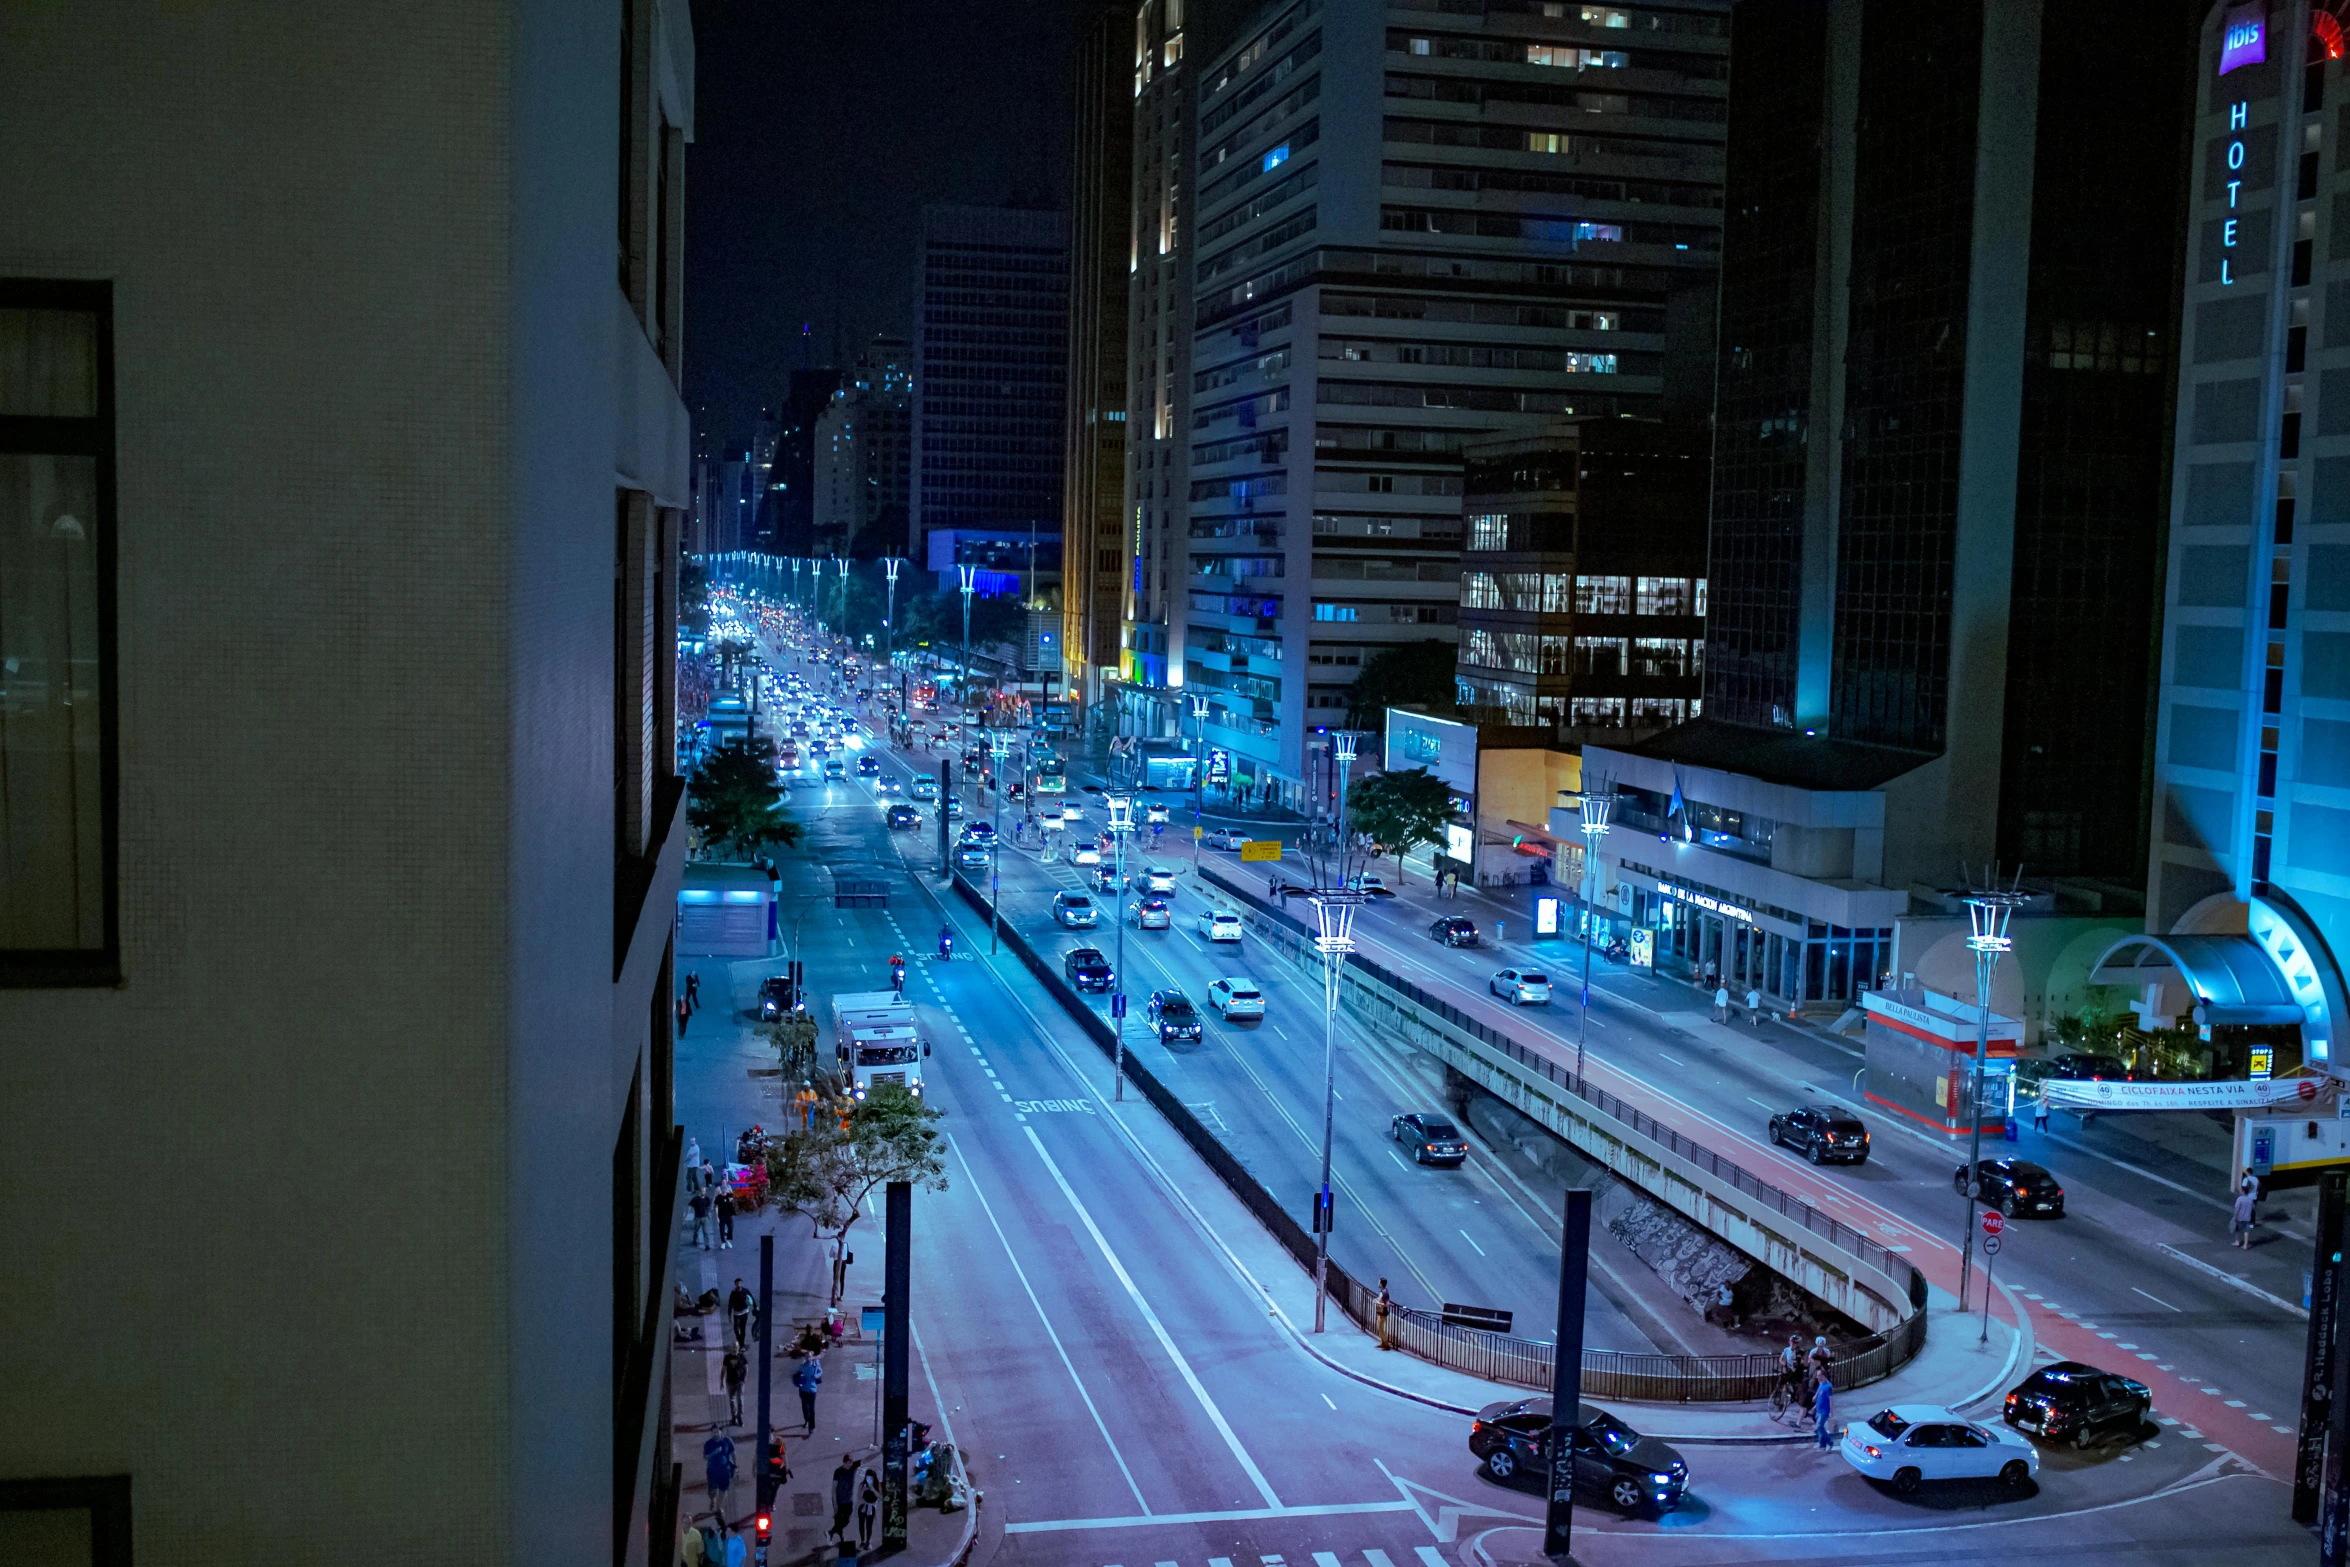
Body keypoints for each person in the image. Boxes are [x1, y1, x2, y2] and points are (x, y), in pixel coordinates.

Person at [831, 1455, 860, 1539]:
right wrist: (835, 1503)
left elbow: (866, 1459)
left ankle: (831, 1532)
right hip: (839, 1501)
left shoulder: (853, 1466)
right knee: (838, 1519)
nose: (849, 1465)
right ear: (844, 1462)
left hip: (848, 1500)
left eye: (850, 1463)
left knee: (846, 1520)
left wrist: (879, 1453)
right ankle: (839, 1533)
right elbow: (834, 1488)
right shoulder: (838, 1471)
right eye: (847, 1463)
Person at [795, 1351, 824, 1430]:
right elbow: (796, 1374)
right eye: (807, 1357)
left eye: (810, 1356)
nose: (808, 1358)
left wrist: (816, 1376)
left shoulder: (815, 1364)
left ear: (812, 1357)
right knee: (805, 1407)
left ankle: (812, 1426)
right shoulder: (802, 1366)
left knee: (811, 1408)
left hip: (812, 1389)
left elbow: (820, 1371)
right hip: (803, 1389)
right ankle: (806, 1420)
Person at [723, 1345, 748, 1427]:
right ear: (731, 1348)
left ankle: (739, 1418)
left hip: (739, 1381)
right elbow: (723, 1369)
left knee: (739, 1400)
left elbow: (746, 1368)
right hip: (730, 1382)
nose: (735, 1349)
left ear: (738, 1348)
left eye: (736, 1347)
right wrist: (721, 1381)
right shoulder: (727, 1357)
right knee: (732, 1400)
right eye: (733, 1347)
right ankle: (734, 1417)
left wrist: (743, 1379)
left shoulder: (741, 1356)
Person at [856, 1469, 879, 1549]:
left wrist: (873, 1489)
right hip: (862, 1507)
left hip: (871, 1508)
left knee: (869, 1526)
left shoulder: (876, 1485)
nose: (869, 1480)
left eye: (871, 1478)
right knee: (861, 1525)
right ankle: (862, 1541)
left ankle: (868, 1542)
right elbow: (858, 1497)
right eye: (867, 1478)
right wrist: (864, 1491)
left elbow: (880, 1497)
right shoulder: (862, 1485)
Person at [728, 1278, 754, 1350]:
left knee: (743, 1328)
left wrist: (755, 1307)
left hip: (745, 1312)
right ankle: (740, 1342)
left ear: (741, 1283)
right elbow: (730, 1303)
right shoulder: (733, 1293)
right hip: (737, 1313)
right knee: (736, 1328)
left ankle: (742, 1344)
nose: (738, 1285)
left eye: (739, 1283)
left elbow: (751, 1298)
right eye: (737, 1284)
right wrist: (729, 1314)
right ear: (735, 1284)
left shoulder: (745, 1290)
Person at [1813, 1370, 1835, 1450]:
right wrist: (1815, 1406)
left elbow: (1831, 1399)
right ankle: (1822, 1444)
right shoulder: (1821, 1383)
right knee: (1819, 1428)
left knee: (1819, 1426)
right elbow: (1819, 1394)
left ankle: (1829, 1441)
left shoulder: (1828, 1386)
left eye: (1818, 1375)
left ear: (1823, 1376)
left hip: (1824, 1411)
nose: (1817, 1377)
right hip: (1818, 1409)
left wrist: (1831, 1412)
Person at [2234, 1183, 2259, 1248]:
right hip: (2247, 1217)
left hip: (2239, 1217)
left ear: (2243, 1191)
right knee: (2246, 1231)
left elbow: (2237, 1208)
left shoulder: (2240, 1199)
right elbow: (2253, 1208)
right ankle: (2245, 1245)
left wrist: (2235, 1216)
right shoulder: (2250, 1199)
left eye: (2241, 1190)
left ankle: (2237, 1242)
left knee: (2237, 1230)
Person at [688, 1185, 713, 1250]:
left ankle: (707, 1245)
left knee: (706, 1232)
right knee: (696, 1230)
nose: (703, 1192)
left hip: (705, 1218)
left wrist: (708, 1213)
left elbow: (708, 1206)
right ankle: (694, 1241)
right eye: (702, 1191)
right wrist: (687, 1214)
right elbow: (690, 1205)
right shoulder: (696, 1199)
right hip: (698, 1218)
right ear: (700, 1191)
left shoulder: (707, 1199)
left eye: (704, 1191)